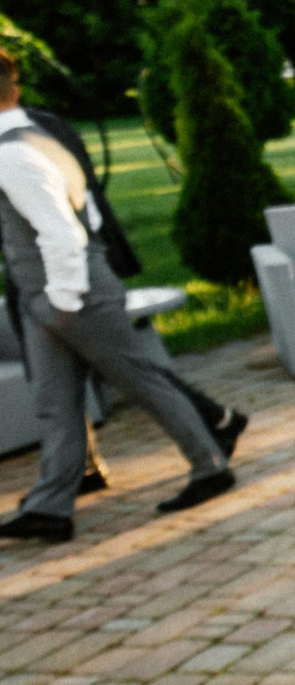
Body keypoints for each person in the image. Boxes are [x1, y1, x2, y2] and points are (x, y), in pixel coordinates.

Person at [0, 48, 235, 542]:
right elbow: (94, 214)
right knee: (55, 401)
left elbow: (63, 233)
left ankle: (210, 466)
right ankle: (50, 507)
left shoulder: (13, 155)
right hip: (47, 295)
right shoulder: (37, 137)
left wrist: (60, 303)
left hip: (70, 294)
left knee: (142, 380)